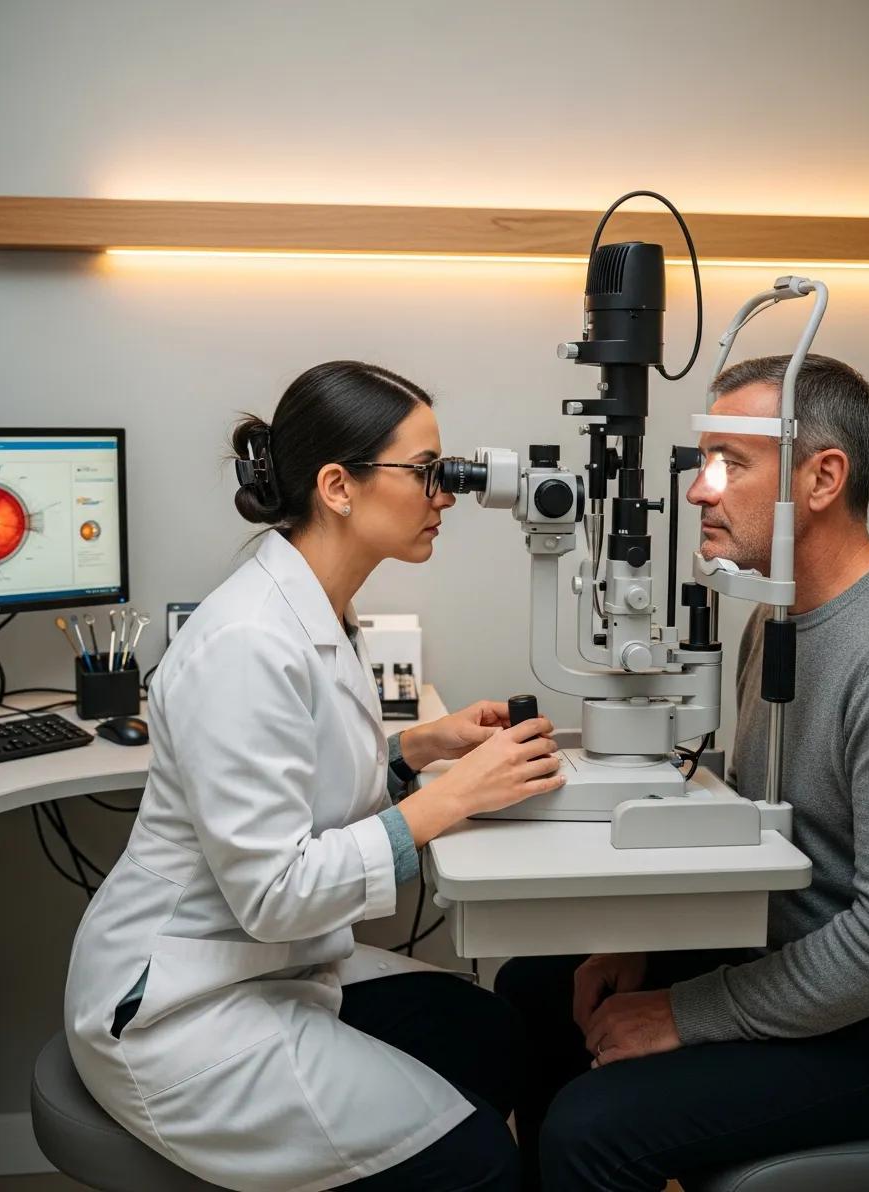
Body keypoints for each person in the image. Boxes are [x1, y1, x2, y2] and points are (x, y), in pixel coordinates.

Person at [65, 360, 567, 1192]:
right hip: (179, 1009)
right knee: (480, 1166)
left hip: (263, 965)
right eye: (427, 473)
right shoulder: (249, 642)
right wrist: (452, 802)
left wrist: (416, 755)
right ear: (339, 486)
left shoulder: (318, 608)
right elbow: (275, 895)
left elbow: (309, 792)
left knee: (498, 1037)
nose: (447, 494)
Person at [495, 354, 869, 1192]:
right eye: (703, 461)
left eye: (730, 463)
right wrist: (646, 941)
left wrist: (687, 1011)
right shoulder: (776, 615)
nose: (699, 490)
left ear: (823, 478)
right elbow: (761, 830)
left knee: (588, 1132)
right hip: (787, 955)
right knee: (534, 993)